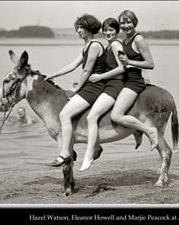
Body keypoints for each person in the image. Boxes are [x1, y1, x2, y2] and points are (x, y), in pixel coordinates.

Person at [45, 14, 106, 167]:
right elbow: (72, 65)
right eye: (77, 27)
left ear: (90, 28)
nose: (78, 30)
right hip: (89, 86)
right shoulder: (87, 46)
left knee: (64, 114)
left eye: (81, 27)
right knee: (67, 114)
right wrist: (53, 74)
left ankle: (65, 154)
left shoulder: (94, 45)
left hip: (94, 87)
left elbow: (86, 70)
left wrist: (77, 89)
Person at [79, 17, 126, 171]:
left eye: (111, 30)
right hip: (108, 85)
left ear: (117, 31)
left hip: (115, 85)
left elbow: (122, 68)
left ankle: (89, 154)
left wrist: (100, 77)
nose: (107, 32)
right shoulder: (108, 46)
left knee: (92, 117)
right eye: (105, 30)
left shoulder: (116, 45)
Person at [110, 10, 159, 151]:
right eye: (122, 23)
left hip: (133, 82)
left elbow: (150, 64)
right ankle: (136, 131)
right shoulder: (124, 40)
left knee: (116, 116)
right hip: (123, 81)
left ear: (134, 22)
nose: (126, 25)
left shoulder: (138, 39)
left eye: (128, 22)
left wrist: (129, 61)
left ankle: (148, 130)